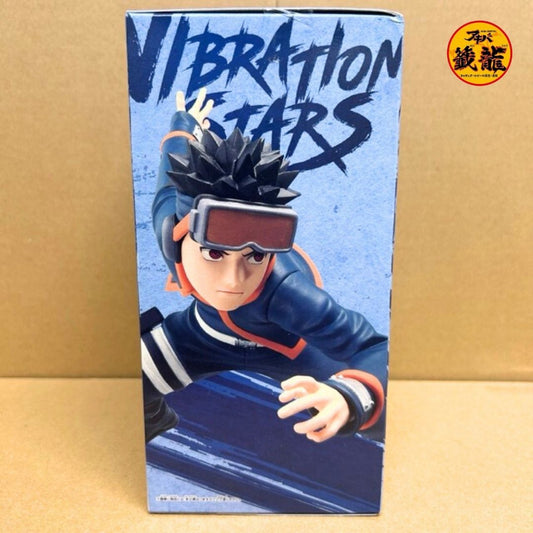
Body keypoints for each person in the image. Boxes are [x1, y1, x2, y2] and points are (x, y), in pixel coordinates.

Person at [141, 89, 388, 444]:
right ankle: (154, 423)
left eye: (254, 256)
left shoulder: (289, 292)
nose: (233, 280)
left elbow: (374, 348)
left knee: (361, 418)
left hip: (287, 351)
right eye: (215, 254)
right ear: (181, 234)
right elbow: (171, 168)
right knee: (126, 384)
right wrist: (184, 124)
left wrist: (351, 396)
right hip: (201, 334)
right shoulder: (170, 226)